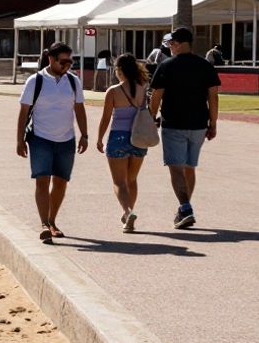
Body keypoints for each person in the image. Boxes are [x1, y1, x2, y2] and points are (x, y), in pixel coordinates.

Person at [148, 27, 221, 229]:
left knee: (176, 168)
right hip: (199, 124)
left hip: (174, 124)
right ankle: (184, 208)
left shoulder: (166, 66)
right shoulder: (205, 66)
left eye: (171, 43)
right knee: (189, 167)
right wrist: (213, 123)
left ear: (179, 43)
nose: (170, 47)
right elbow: (213, 96)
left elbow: (156, 96)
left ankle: (185, 206)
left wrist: (151, 118)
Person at [15, 42, 89, 243]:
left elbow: (79, 108)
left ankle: (52, 220)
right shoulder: (35, 81)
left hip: (66, 140)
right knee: (42, 180)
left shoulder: (73, 81)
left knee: (61, 182)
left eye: (70, 61)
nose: (67, 65)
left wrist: (85, 134)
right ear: (51, 59)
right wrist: (19, 140)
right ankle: (44, 224)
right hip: (40, 139)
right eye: (63, 61)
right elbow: (23, 112)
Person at [95, 53, 149, 233]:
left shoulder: (113, 91)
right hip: (138, 138)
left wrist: (99, 138)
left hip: (118, 137)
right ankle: (129, 213)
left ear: (119, 70)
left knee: (119, 182)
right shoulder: (142, 88)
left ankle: (127, 212)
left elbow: (105, 119)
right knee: (132, 179)